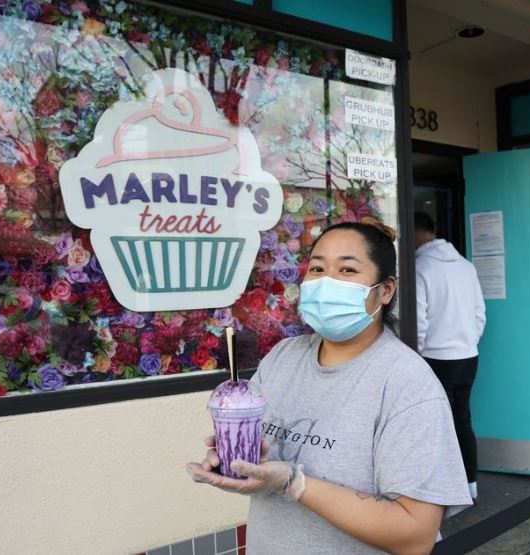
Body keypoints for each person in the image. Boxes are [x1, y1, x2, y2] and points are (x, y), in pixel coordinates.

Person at [187, 220, 471, 554]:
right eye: (318, 268)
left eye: (347, 269)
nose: (327, 281)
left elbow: (416, 536)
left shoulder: (407, 384)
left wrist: (295, 483)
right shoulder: (282, 358)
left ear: (386, 290)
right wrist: (242, 461)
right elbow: (266, 461)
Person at [414, 212, 486, 502]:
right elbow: (480, 313)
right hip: (468, 356)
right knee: (461, 419)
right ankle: (470, 484)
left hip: (434, 358)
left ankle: (439, 489)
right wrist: (466, 341)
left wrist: (416, 354)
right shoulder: (466, 267)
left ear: (418, 233)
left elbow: (417, 320)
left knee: (434, 424)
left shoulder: (421, 267)